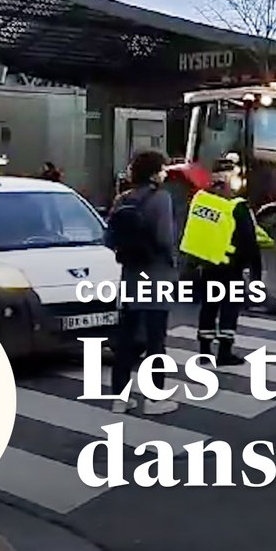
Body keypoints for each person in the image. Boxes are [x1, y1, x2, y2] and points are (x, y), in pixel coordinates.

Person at [104, 149, 179, 415]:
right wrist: (173, 263)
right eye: (162, 168)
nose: (165, 173)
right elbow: (165, 239)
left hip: (131, 278)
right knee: (156, 341)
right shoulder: (161, 199)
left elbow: (109, 239)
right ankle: (155, 399)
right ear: (154, 172)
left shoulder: (123, 199)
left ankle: (119, 399)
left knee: (126, 341)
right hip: (157, 278)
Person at [191, 192, 264, 366]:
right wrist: (255, 269)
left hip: (210, 265)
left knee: (208, 307)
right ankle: (224, 352)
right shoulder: (238, 207)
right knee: (229, 310)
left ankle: (205, 352)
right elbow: (250, 240)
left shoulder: (206, 204)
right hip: (232, 268)